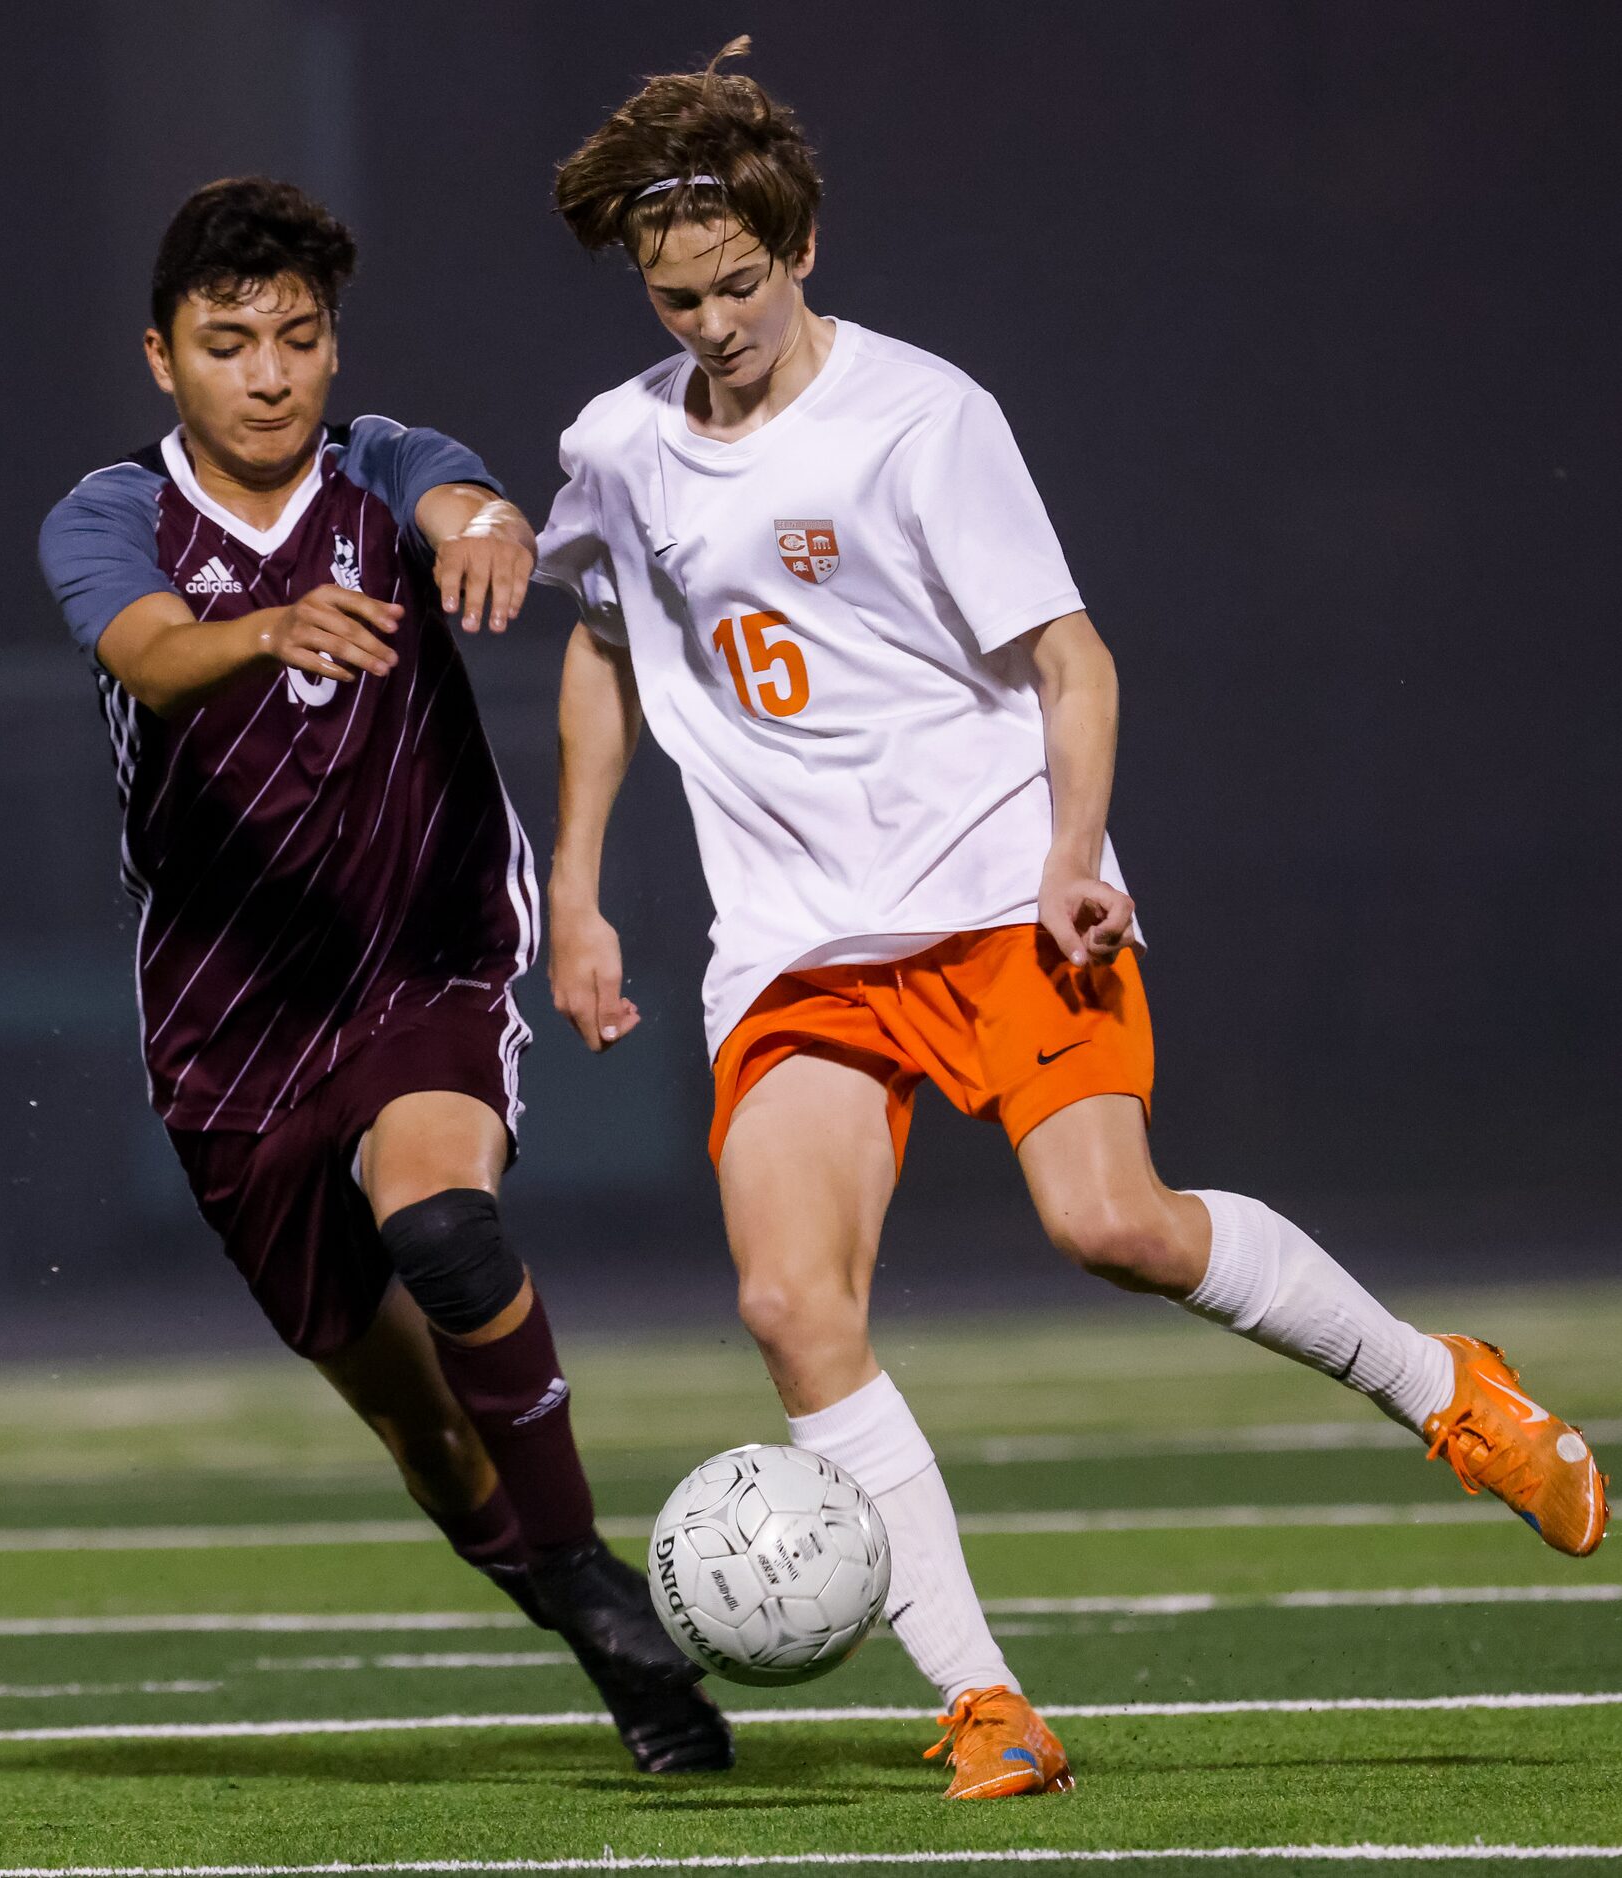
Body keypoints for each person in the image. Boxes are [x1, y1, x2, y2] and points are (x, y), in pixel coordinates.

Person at [534, 43, 1609, 1801]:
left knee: (1110, 1224)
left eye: (740, 285)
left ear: (804, 249)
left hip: (989, 893)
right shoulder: (621, 444)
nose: (712, 324)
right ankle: (982, 1700)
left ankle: (1445, 1386)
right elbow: (597, 639)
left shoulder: (920, 417)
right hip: (799, 949)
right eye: (678, 297)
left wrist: (1073, 853)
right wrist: (578, 894)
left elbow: (1069, 657)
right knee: (791, 1298)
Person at [37, 176, 730, 1775]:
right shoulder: (110, 515)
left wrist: (482, 526)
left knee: (439, 1212)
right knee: (416, 1422)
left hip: (425, 946)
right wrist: (264, 632)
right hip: (224, 1022)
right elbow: (142, 648)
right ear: (163, 359)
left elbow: (463, 503)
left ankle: (612, 1618)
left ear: (334, 345)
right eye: (229, 344)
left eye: (298, 337)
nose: (270, 373)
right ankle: (573, 1585)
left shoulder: (382, 463)